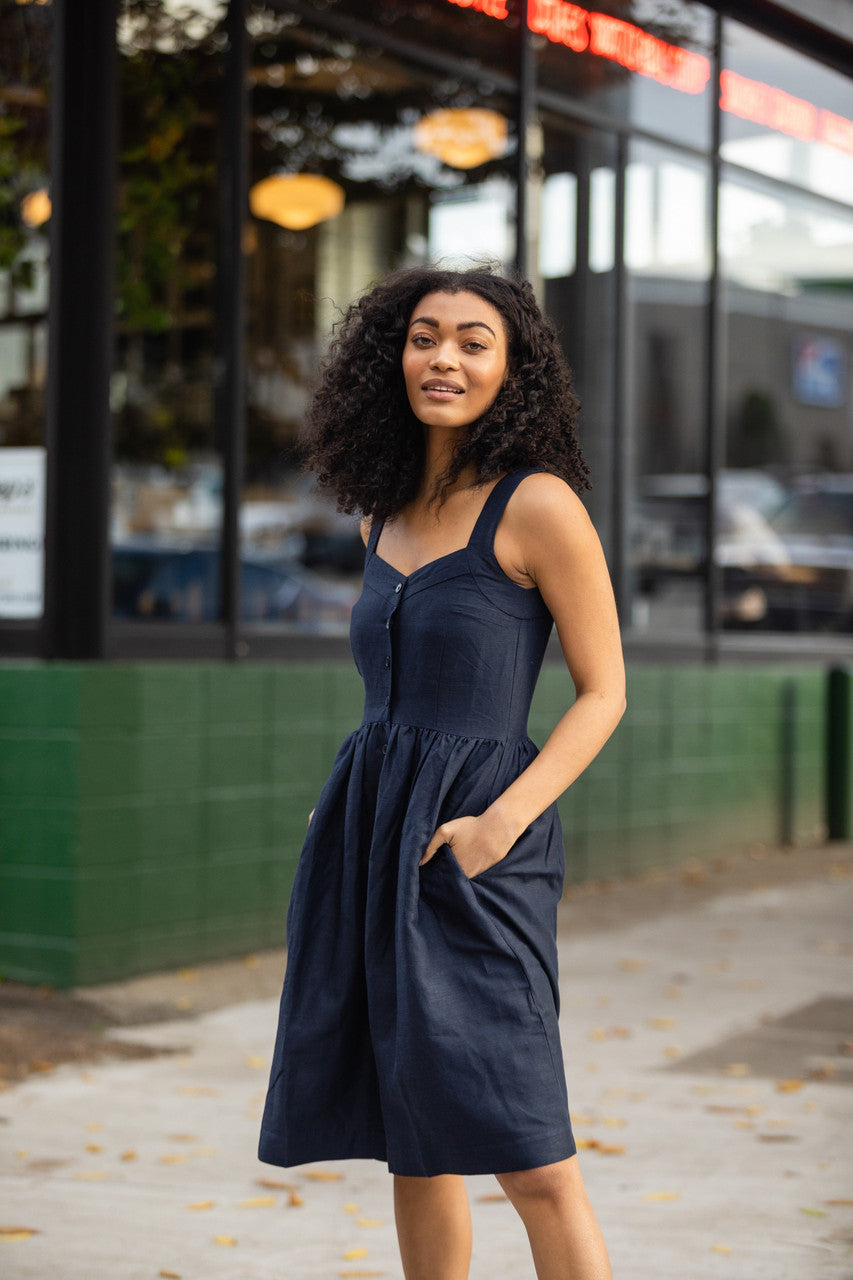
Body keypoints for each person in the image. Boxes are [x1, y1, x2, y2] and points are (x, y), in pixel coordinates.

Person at [259, 264, 626, 1280]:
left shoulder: (538, 504)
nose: (444, 358)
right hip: (371, 837)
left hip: (482, 846)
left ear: (511, 368)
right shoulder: (380, 512)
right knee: (413, 1142)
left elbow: (604, 691)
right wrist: (347, 807)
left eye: (473, 341)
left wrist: (499, 822)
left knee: (530, 1150)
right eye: (425, 336)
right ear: (394, 354)